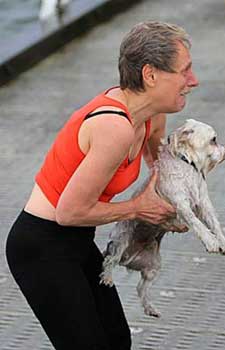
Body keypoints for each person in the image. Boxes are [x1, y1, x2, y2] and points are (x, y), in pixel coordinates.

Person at [6, 21, 198, 350]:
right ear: (150, 75)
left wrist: (174, 207)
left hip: (78, 240)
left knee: (117, 341)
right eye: (185, 71)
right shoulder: (114, 126)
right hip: (41, 246)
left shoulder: (152, 115)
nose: (193, 81)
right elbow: (69, 212)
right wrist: (139, 208)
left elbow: (162, 172)